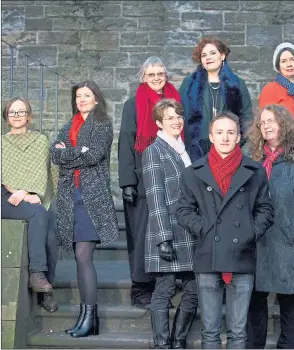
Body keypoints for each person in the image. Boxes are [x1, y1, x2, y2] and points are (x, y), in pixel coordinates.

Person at [176, 111, 274, 349]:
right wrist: (204, 230)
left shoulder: (255, 171)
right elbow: (183, 211)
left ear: (239, 136)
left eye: (231, 132)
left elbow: (266, 210)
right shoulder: (193, 173)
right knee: (209, 331)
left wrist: (250, 232)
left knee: (238, 332)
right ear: (211, 136)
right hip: (208, 255)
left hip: (242, 255)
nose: (225, 137)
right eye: (219, 132)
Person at [245, 104, 294, 349]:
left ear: (284, 124)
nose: (267, 125)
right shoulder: (254, 160)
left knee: (290, 300)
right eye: (263, 122)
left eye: (272, 120)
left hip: (291, 241)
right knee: (255, 299)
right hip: (260, 241)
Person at [51, 80, 118, 338]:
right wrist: (77, 150)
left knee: (83, 256)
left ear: (96, 99)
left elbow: (94, 156)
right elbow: (54, 154)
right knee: (80, 260)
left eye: (87, 95)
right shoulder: (70, 123)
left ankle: (90, 318)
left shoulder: (102, 124)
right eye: (78, 96)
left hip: (92, 199)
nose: (82, 100)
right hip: (71, 196)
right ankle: (86, 318)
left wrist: (68, 151)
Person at [118, 57, 181, 309]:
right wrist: (127, 182)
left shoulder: (174, 102)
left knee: (167, 231)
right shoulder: (133, 104)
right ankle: (140, 288)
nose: (156, 78)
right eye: (151, 74)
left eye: (160, 73)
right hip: (142, 178)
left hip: (170, 178)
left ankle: (163, 286)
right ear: (143, 77)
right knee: (142, 234)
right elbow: (126, 140)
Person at [142, 99, 197, 349]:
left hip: (189, 231)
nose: (176, 121)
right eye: (170, 118)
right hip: (167, 231)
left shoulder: (183, 150)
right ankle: (162, 345)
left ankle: (178, 341)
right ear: (159, 123)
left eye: (179, 117)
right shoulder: (154, 151)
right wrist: (163, 238)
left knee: (194, 291)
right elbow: (155, 196)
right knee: (163, 291)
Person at [1, 96, 58, 313]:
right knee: (38, 214)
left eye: (21, 112)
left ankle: (46, 288)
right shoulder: (1, 143)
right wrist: (15, 191)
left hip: (34, 195)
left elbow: (41, 172)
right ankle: (36, 273)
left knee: (52, 232)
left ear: (29, 116)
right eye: (12, 112)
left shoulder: (40, 140)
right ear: (6, 117)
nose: (16, 116)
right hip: (5, 197)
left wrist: (27, 191)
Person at [179, 36, 253, 162]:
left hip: (228, 149)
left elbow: (247, 119)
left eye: (213, 53)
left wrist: (234, 142)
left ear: (223, 55)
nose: (208, 57)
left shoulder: (238, 83)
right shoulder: (189, 83)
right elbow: (179, 114)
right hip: (197, 150)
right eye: (204, 55)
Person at [258, 42, 294, 147]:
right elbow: (266, 124)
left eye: (292, 60)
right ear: (278, 66)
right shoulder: (270, 89)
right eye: (284, 61)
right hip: (284, 148)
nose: (289, 64)